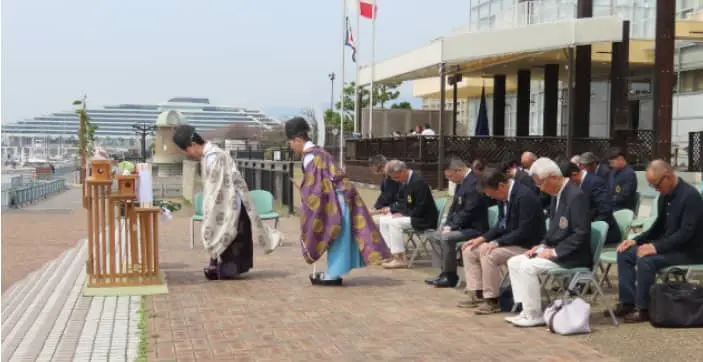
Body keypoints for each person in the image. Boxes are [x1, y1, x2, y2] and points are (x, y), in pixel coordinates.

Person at [285, 117, 390, 286]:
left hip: (333, 203)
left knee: (335, 237)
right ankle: (334, 272)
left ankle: (333, 275)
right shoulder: (321, 152)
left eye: (291, 142)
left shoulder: (310, 157)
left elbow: (315, 188)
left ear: (298, 139)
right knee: (341, 236)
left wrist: (305, 194)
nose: (291, 146)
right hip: (342, 197)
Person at [172, 124, 280, 280]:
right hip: (225, 201)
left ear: (193, 145)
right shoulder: (210, 156)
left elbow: (219, 187)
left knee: (226, 234)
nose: (189, 154)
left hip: (229, 203)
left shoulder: (216, 157)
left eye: (187, 151)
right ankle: (217, 265)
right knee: (222, 234)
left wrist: (211, 207)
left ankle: (222, 268)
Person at [610, 160, 703, 323]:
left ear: (668, 177)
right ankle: (628, 302)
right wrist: (636, 241)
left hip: (689, 252)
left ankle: (643, 308)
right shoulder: (664, 197)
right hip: (670, 247)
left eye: (656, 185)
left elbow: (685, 234)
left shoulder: (691, 197)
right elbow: (658, 227)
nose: (655, 189)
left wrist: (655, 247)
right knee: (625, 253)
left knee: (647, 261)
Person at [504, 157, 592, 327]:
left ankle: (534, 314)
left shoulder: (576, 196)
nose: (540, 189)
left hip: (572, 256)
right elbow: (553, 230)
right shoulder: (557, 195)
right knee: (515, 261)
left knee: (527, 267)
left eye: (541, 184)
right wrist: (542, 245)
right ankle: (526, 308)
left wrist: (554, 252)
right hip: (557, 250)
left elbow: (581, 234)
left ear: (553, 177)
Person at [458, 168, 545, 314]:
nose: (492, 198)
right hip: (510, 241)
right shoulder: (503, 197)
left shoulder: (524, 197)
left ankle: (492, 299)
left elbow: (524, 231)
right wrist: (482, 238)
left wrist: (497, 243)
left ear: (501, 186)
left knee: (489, 254)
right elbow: (501, 224)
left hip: (527, 245)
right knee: (469, 250)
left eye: (492, 194)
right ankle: (476, 291)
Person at [425, 157, 488, 288]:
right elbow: (454, 207)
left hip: (474, 227)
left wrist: (452, 227)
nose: (450, 180)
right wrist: (447, 224)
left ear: (459, 170)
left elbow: (469, 211)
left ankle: (450, 275)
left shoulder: (473, 183)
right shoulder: (461, 183)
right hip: (461, 225)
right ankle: (443, 272)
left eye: (451, 176)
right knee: (433, 234)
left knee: (447, 238)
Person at [378, 160, 438, 269]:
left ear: (403, 171)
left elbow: (421, 206)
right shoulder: (405, 182)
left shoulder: (418, 182)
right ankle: (390, 252)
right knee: (384, 219)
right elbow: (402, 201)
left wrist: (405, 214)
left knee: (394, 223)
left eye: (396, 177)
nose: (396, 181)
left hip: (423, 219)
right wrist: (393, 210)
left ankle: (400, 258)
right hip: (412, 214)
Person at [561, 160, 620, 245]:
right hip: (584, 229)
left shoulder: (595, 182)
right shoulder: (577, 185)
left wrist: (587, 228)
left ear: (574, 174)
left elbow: (605, 211)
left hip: (602, 231)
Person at [606, 148, 638, 212]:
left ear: (620, 159)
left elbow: (624, 196)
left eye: (612, 163)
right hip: (611, 205)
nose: (610, 165)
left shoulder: (629, 174)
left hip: (622, 209)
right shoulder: (613, 172)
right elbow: (608, 189)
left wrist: (608, 200)